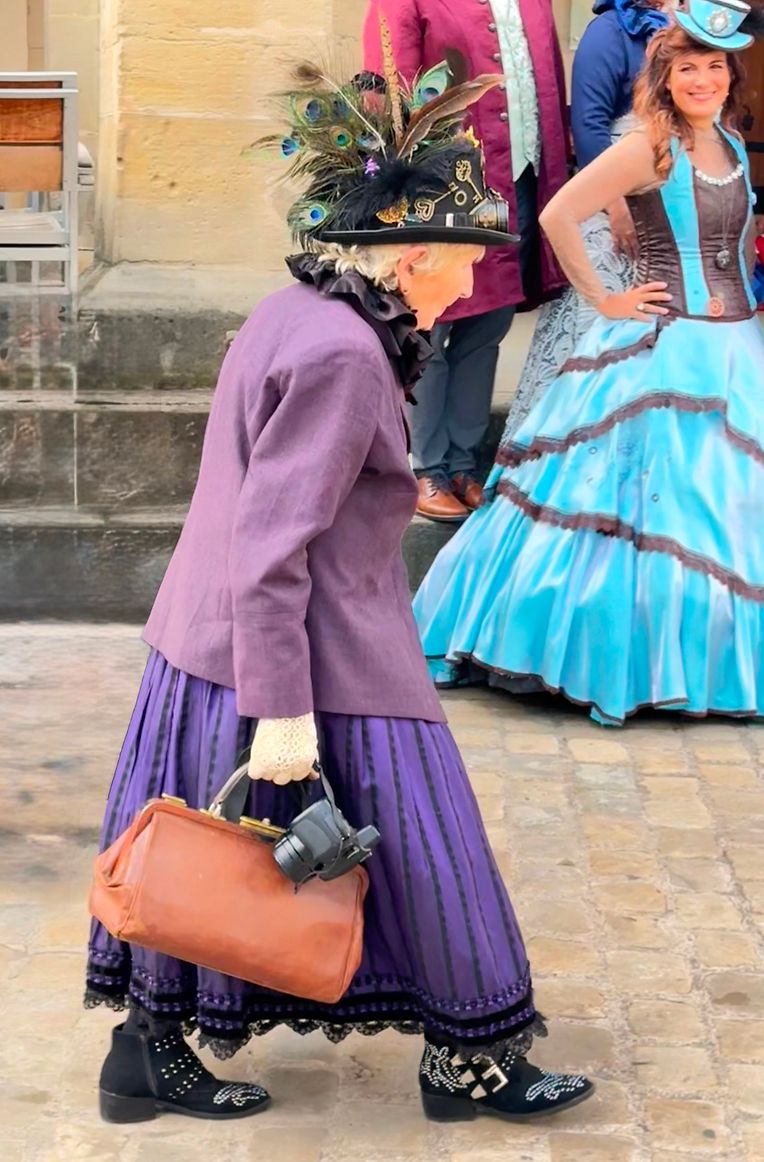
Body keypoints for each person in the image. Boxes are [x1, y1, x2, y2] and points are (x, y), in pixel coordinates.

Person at [85, 57, 593, 1124]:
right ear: (412, 256)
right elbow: (273, 545)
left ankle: (146, 1053)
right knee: (428, 853)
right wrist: (279, 711)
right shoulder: (343, 357)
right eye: (468, 258)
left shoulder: (300, 312)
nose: (476, 279)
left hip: (222, 647)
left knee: (205, 860)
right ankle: (470, 1061)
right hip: (309, 654)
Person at [414, 0, 764, 727]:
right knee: (643, 510)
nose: (703, 80)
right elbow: (558, 213)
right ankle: (620, 659)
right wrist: (605, 298)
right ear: (665, 78)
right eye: (688, 68)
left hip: (733, 348)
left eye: (714, 66)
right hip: (662, 350)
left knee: (721, 508)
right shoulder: (650, 147)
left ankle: (714, 658)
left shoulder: (731, 143)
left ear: (732, 75)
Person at [363, 0, 570, 522]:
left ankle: (462, 464)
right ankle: (424, 465)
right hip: (446, 186)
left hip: (516, 183)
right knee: (431, 325)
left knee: (488, 324)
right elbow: (391, 91)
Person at [505, 0, 671, 435]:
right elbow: (590, 122)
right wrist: (615, 205)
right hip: (611, 200)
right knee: (600, 328)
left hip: (663, 207)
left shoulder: (693, 27)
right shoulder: (609, 31)